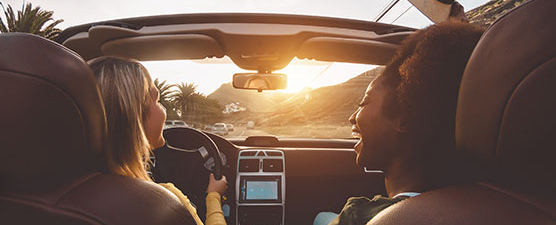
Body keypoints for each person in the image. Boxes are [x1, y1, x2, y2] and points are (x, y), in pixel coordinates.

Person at [314, 21, 484, 225]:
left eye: (364, 103)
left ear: (404, 118)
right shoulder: (488, 204)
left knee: (321, 218)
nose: (353, 117)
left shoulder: (358, 217)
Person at [88, 56, 228, 225]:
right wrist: (213, 196)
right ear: (134, 118)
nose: (163, 110)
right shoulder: (164, 204)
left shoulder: (63, 193)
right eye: (157, 100)